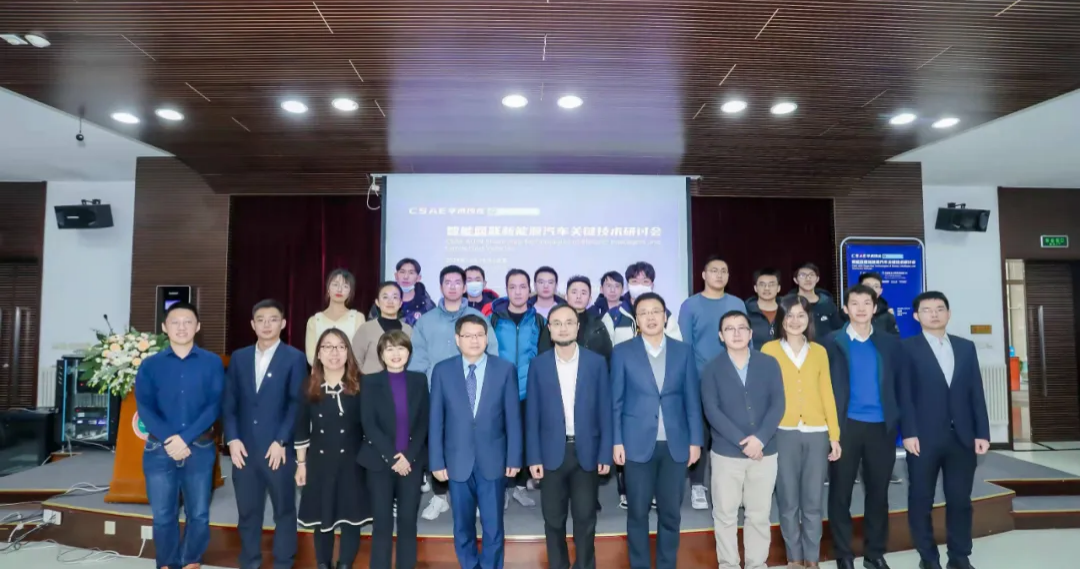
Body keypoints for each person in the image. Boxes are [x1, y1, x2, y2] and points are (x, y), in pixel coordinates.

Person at [611, 292, 702, 569]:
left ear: (665, 317)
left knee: (671, 513)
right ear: (636, 320)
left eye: (655, 312)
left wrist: (696, 440)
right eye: (643, 313)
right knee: (637, 513)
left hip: (676, 444)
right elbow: (615, 402)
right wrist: (617, 441)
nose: (650, 317)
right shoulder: (622, 352)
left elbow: (692, 400)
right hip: (635, 443)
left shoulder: (683, 351)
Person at [899, 292, 990, 569]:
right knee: (921, 500)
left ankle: (960, 557)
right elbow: (904, 394)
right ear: (916, 316)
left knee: (960, 500)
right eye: (927, 310)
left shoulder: (965, 347)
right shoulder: (906, 348)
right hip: (923, 438)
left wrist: (982, 432)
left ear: (949, 314)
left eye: (940, 309)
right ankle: (928, 558)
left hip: (962, 438)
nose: (934, 314)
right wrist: (909, 432)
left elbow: (976, 391)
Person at [134, 301, 224, 569]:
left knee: (199, 513)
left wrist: (185, 438)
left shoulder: (212, 362)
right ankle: (167, 562)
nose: (181, 327)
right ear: (164, 327)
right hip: (159, 450)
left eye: (188, 322)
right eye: (175, 322)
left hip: (200, 448)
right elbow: (145, 408)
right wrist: (170, 439)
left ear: (198, 326)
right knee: (163, 515)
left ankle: (190, 559)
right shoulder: (150, 365)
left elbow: (214, 405)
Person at [428, 315, 522, 569]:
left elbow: (513, 419)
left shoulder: (504, 369)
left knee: (493, 526)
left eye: (480, 335)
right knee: (462, 526)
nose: (474, 340)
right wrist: (436, 461)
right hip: (456, 460)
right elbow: (436, 420)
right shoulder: (442, 371)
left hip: (493, 459)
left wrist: (514, 457)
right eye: (468, 335)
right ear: (457, 339)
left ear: (487, 338)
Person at [409, 265, 499, 520]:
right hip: (436, 395)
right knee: (437, 444)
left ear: (464, 286)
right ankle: (440, 497)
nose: (452, 286)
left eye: (457, 282)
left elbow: (492, 352)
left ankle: (478, 496)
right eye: (447, 282)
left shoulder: (477, 318)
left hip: (473, 395)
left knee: (473, 445)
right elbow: (418, 361)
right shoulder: (426, 321)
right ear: (440, 286)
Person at [526, 304, 612, 569]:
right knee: (553, 520)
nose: (563, 328)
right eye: (557, 323)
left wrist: (605, 453)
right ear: (549, 329)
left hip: (586, 452)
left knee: (585, 519)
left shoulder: (596, 363)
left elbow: (605, 411)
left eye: (568, 322)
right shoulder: (538, 365)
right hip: (551, 454)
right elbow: (532, 415)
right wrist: (533, 457)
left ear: (577, 327)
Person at [223, 299, 307, 569]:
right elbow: (229, 403)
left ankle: (283, 563)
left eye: (273, 319)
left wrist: (281, 440)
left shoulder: (294, 358)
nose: (266, 325)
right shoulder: (239, 357)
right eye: (260, 320)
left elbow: (296, 404)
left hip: (278, 449)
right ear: (252, 324)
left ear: (283, 324)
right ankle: (250, 562)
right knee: (248, 513)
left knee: (284, 511)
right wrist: (232, 439)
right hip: (244, 450)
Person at [823, 284, 903, 569]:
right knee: (840, 493)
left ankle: (874, 553)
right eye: (854, 303)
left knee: (878, 493)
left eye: (866, 303)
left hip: (881, 428)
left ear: (874, 307)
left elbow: (901, 384)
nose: (860, 308)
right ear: (845, 309)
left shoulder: (890, 343)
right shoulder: (830, 342)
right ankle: (843, 554)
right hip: (845, 427)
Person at [760, 296, 842, 569]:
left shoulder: (819, 351)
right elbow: (764, 394)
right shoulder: (769, 350)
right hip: (782, 432)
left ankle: (812, 559)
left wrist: (834, 435)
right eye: (790, 315)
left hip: (817, 432)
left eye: (801, 315)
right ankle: (794, 558)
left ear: (809, 319)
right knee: (787, 500)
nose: (795, 321)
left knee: (813, 501)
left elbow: (827, 393)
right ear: (781, 319)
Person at [701, 310, 785, 569]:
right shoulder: (711, 369)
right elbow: (712, 411)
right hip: (726, 454)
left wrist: (760, 439)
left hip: (764, 452)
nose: (736, 333)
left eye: (741, 328)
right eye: (729, 329)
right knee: (725, 515)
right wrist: (743, 442)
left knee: (759, 514)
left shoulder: (769, 363)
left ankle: (756, 564)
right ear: (720, 335)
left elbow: (778, 404)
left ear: (750, 334)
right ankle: (728, 564)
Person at [295, 328, 372, 569]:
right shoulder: (308, 385)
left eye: (340, 346)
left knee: (351, 519)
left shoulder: (362, 385)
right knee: (322, 517)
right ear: (318, 353)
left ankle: (345, 563)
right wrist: (301, 464)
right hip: (320, 462)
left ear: (348, 352)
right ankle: (323, 563)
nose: (334, 352)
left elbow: (370, 427)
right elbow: (301, 428)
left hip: (353, 462)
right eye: (327, 347)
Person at [677, 255, 746, 510]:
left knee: (731, 432)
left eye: (724, 271)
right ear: (704, 275)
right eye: (714, 270)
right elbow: (685, 347)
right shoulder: (690, 305)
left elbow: (745, 342)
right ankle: (698, 486)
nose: (719, 274)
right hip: (698, 379)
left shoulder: (736, 303)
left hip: (732, 379)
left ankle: (733, 486)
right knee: (700, 433)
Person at [359, 330, 430, 569]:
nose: (395, 353)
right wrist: (392, 458)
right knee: (382, 522)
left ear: (409, 352)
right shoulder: (369, 382)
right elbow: (369, 424)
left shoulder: (419, 380)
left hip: (411, 462)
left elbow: (423, 422)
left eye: (400, 348)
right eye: (389, 349)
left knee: (408, 521)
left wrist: (407, 457)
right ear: (381, 354)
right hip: (379, 462)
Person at [484, 268, 551, 508]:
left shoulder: (539, 320)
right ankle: (502, 488)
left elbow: (544, 356)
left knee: (524, 439)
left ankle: (520, 487)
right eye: (512, 287)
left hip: (528, 390)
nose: (518, 292)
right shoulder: (493, 319)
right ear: (506, 290)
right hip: (498, 390)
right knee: (500, 441)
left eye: (523, 287)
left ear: (529, 289)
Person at [604, 262, 682, 345]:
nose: (640, 286)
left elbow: (677, 345)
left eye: (645, 281)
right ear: (628, 285)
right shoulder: (613, 316)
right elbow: (605, 348)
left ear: (652, 286)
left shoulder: (664, 314)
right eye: (634, 281)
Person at [306, 268, 366, 365]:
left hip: (351, 371)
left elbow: (361, 352)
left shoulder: (358, 318)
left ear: (350, 292)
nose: (339, 290)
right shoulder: (314, 321)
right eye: (335, 285)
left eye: (345, 286)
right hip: (322, 372)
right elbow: (311, 356)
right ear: (328, 289)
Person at [353, 281, 414, 374]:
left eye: (395, 297)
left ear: (401, 303)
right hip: (371, 380)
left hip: (400, 380)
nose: (390, 301)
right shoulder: (366, 328)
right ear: (377, 302)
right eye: (385, 297)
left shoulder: (408, 330)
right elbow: (355, 360)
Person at [370, 258, 436, 326]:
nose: (406, 277)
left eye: (411, 273)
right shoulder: (384, 300)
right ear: (396, 276)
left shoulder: (427, 304)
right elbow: (371, 325)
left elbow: (433, 328)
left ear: (418, 278)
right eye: (402, 272)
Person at [562, 275, 613, 361]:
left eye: (583, 293)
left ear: (590, 299)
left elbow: (607, 357)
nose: (578, 296)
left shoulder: (598, 325)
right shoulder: (555, 322)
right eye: (574, 292)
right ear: (566, 296)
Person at [787, 262, 843, 335]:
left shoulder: (827, 303)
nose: (808, 278)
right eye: (802, 275)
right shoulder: (788, 303)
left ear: (817, 279)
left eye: (811, 275)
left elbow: (838, 330)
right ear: (795, 280)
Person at [746, 268, 782, 349]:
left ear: (778, 288)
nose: (767, 288)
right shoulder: (745, 311)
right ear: (755, 288)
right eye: (762, 284)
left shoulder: (787, 311)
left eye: (771, 284)